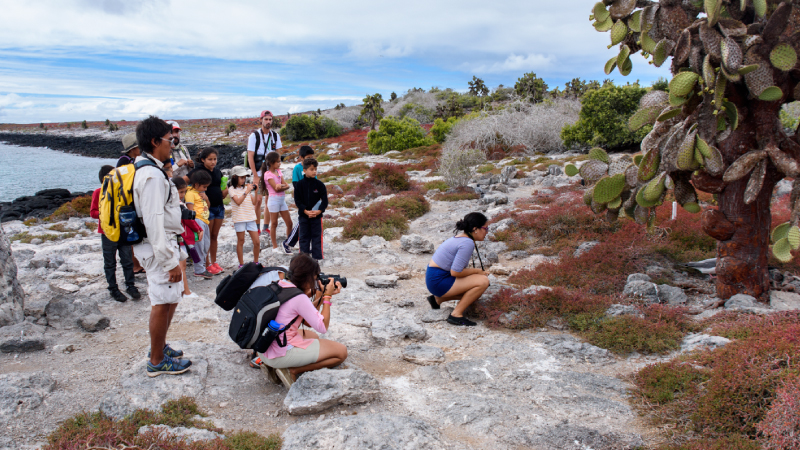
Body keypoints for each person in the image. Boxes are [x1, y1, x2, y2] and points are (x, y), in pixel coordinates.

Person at [132, 115, 191, 377]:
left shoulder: (150, 169)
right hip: (159, 248)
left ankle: (160, 347)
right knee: (161, 301)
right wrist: (169, 261)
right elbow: (154, 221)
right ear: (156, 141)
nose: (173, 143)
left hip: (163, 245)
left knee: (169, 299)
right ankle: (156, 361)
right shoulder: (152, 176)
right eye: (169, 139)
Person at [259, 253, 346, 388]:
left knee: (313, 336)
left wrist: (319, 295)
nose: (317, 280)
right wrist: (327, 297)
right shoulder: (300, 298)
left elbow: (306, 322)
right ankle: (293, 370)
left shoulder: (280, 285)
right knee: (341, 352)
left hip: (264, 347)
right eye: (315, 276)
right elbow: (322, 326)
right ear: (308, 278)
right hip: (279, 353)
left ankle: (272, 367)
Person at [425, 212, 490, 326]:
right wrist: (478, 271)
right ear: (475, 229)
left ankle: (437, 300)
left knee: (473, 293)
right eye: (485, 228)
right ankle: (456, 315)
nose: (487, 232)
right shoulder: (467, 243)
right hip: (438, 280)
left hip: (434, 277)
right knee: (483, 282)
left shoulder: (461, 238)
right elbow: (455, 272)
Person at [89, 165, 140, 303]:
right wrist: (107, 214)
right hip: (107, 231)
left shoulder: (122, 192)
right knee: (110, 261)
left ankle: (130, 285)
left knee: (127, 259)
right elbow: (93, 212)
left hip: (122, 231)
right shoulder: (98, 193)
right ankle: (113, 288)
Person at [188, 148, 227, 275]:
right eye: (210, 159)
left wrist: (227, 189)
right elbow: (184, 181)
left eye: (215, 159)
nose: (213, 162)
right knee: (207, 237)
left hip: (219, 207)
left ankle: (214, 262)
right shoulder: (198, 172)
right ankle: (206, 263)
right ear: (203, 159)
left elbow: (222, 187)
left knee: (214, 235)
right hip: (206, 209)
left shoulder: (217, 171)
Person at [247, 110, 283, 236]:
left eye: (270, 119)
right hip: (258, 170)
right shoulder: (254, 136)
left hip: (271, 170)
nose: (268, 122)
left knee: (270, 199)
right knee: (258, 199)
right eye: (266, 119)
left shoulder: (275, 136)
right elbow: (250, 156)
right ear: (261, 120)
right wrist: (255, 176)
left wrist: (278, 172)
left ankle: (266, 227)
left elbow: (278, 154)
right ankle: (256, 227)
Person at [115, 133, 146, 274]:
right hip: (128, 204)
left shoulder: (129, 160)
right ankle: (135, 265)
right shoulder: (125, 162)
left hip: (132, 201)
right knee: (132, 233)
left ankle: (138, 263)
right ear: (132, 149)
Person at [172, 176, 201, 299]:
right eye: (180, 192)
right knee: (182, 267)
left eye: (184, 192)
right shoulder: (180, 205)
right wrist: (199, 229)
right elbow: (189, 220)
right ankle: (185, 292)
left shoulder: (167, 204)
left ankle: (178, 291)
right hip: (180, 240)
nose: (182, 195)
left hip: (173, 239)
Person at [282, 145, 315, 253]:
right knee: (303, 221)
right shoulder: (297, 168)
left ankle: (303, 246)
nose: (310, 159)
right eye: (307, 157)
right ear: (301, 157)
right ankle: (288, 242)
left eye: (311, 157)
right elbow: (295, 183)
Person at [293, 158, 327, 261]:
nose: (314, 172)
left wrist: (319, 211)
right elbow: (297, 201)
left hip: (316, 218)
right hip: (303, 217)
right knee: (303, 238)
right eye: (311, 169)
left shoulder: (320, 185)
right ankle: (304, 260)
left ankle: (316, 260)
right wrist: (305, 211)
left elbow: (325, 200)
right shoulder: (299, 185)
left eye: (315, 169)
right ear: (304, 170)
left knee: (317, 238)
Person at [228, 165, 260, 267]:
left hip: (250, 217)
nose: (243, 180)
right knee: (241, 241)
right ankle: (241, 264)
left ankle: (256, 262)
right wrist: (246, 192)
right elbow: (238, 202)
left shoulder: (247, 187)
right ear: (234, 177)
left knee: (257, 242)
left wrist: (255, 191)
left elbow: (254, 202)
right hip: (239, 218)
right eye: (241, 177)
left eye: (244, 178)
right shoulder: (231, 189)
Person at [262, 151, 293, 254]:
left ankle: (289, 243)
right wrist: (281, 186)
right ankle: (274, 247)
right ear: (271, 162)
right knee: (274, 223)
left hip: (281, 200)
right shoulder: (267, 174)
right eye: (277, 162)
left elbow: (286, 185)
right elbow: (276, 189)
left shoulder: (279, 172)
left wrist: (282, 186)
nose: (279, 164)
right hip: (274, 200)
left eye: (280, 162)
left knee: (289, 222)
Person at [185, 170, 213, 279]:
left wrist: (206, 198)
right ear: (196, 184)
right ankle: (199, 269)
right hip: (197, 221)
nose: (205, 189)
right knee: (199, 246)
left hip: (205, 221)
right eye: (204, 187)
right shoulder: (190, 194)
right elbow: (190, 210)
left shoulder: (201, 193)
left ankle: (202, 267)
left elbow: (207, 206)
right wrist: (194, 226)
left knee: (206, 245)